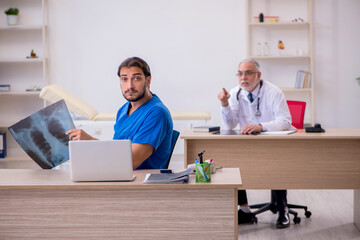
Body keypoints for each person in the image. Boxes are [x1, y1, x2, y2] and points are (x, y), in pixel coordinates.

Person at [217, 58, 294, 228]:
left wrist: (261, 127)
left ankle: (283, 210)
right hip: (247, 144)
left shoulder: (273, 92)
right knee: (233, 165)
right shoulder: (235, 93)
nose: (243, 77)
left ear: (258, 75)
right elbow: (230, 124)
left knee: (276, 164)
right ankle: (244, 211)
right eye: (240, 73)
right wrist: (224, 104)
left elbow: (285, 121)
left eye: (248, 73)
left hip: (273, 142)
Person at [66, 56, 173, 170]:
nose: (130, 86)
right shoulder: (123, 111)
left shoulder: (156, 113)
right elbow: (116, 152)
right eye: (124, 79)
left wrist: (90, 142)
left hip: (142, 182)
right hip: (119, 174)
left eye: (136, 78)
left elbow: (130, 161)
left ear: (148, 81)